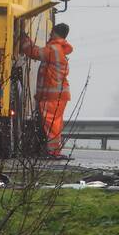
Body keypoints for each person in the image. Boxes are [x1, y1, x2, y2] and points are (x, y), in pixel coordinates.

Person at [20, 23, 73, 159]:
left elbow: (34, 52)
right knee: (55, 123)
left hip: (52, 96)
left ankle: (52, 152)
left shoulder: (54, 49)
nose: (49, 34)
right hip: (59, 95)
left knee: (51, 123)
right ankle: (54, 151)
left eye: (51, 32)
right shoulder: (59, 49)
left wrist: (23, 38)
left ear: (55, 33)